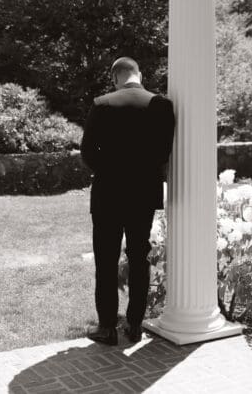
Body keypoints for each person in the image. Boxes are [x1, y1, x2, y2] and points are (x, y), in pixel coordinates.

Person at [80, 57, 175, 345]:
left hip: (108, 193)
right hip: (143, 194)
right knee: (138, 258)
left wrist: (109, 170)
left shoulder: (102, 104)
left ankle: (107, 327)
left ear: (115, 78)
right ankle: (134, 325)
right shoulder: (162, 105)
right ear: (139, 74)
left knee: (106, 260)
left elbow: (87, 152)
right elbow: (163, 152)